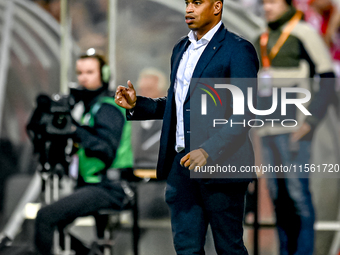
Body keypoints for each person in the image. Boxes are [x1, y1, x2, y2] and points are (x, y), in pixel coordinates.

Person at [115, 0, 259, 254]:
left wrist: (208, 150)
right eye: (186, 3)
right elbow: (176, 104)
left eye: (197, 2)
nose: (189, 9)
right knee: (186, 249)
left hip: (221, 166)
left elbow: (244, 113)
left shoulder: (238, 50)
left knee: (229, 248)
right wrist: (138, 104)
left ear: (216, 7)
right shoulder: (181, 48)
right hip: (181, 166)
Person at [255, 0, 336, 254]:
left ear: (288, 4)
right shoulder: (263, 37)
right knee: (278, 197)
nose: (268, 7)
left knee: (298, 195)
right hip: (267, 129)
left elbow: (327, 78)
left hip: (294, 129)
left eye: (274, 2)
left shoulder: (304, 32)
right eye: (265, 2)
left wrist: (311, 121)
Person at [34, 52, 134, 255]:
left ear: (104, 74)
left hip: (110, 187)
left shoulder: (107, 108)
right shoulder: (91, 107)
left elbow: (105, 149)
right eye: (80, 72)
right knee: (54, 223)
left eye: (90, 72)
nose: (83, 78)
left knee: (45, 218)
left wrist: (74, 130)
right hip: (93, 184)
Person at [132, 68, 167, 169]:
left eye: (149, 90)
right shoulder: (129, 122)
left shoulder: (172, 124)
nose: (143, 95)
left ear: (162, 94)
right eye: (140, 90)